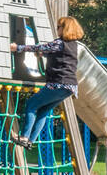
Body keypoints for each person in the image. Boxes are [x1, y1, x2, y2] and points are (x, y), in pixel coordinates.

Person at [11, 17, 84, 147]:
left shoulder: (59, 43)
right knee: (43, 110)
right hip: (70, 87)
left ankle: (24, 137)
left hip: (58, 83)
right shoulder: (74, 45)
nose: (57, 30)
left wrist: (18, 48)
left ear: (65, 29)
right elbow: (60, 57)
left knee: (31, 105)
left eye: (58, 27)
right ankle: (30, 140)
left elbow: (39, 47)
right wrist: (43, 55)